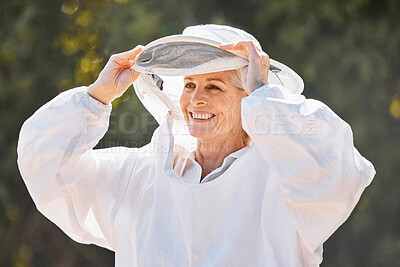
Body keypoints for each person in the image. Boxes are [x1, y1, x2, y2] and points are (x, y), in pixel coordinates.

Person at [17, 24, 375, 266]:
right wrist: (96, 97)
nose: (196, 100)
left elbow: (340, 171)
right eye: (189, 85)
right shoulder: (138, 175)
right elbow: (45, 168)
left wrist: (267, 96)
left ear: (246, 97)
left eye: (215, 87)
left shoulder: (286, 182)